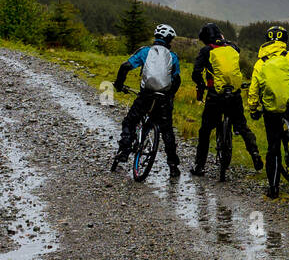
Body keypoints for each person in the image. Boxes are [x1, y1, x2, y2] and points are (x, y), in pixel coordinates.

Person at [245, 25, 289, 197]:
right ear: (285, 41)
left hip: (271, 108)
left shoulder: (261, 62)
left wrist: (253, 108)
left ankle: (274, 188)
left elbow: (253, 90)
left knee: (273, 146)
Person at [190, 23, 262, 180]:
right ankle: (254, 152)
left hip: (215, 96)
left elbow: (196, 73)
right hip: (234, 94)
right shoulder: (233, 47)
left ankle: (199, 166)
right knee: (242, 126)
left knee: (205, 130)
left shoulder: (206, 50)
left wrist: (201, 85)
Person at [111, 23, 181, 178]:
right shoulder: (173, 57)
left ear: (156, 37)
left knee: (130, 122)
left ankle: (124, 150)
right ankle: (173, 166)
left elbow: (125, 66)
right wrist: (170, 96)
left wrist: (119, 84)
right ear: (169, 40)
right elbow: (177, 80)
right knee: (167, 131)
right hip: (163, 99)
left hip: (146, 96)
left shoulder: (145, 51)